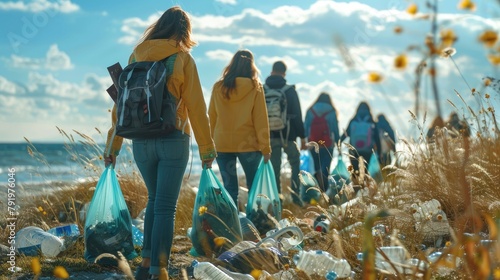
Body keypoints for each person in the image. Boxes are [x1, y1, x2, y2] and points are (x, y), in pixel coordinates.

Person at [104, 6, 216, 280]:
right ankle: (159, 270)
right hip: (172, 139)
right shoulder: (182, 59)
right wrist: (206, 148)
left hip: (140, 142)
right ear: (184, 32)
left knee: (155, 200)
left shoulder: (135, 56)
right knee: (165, 206)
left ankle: (145, 263)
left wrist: (112, 148)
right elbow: (197, 108)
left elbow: (121, 106)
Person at [208, 49, 271, 208]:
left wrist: (208, 146)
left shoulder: (218, 87)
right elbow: (260, 119)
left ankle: (233, 224)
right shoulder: (255, 87)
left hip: (222, 143)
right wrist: (265, 147)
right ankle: (254, 221)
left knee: (230, 188)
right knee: (253, 186)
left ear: (232, 64)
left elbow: (212, 116)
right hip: (247, 143)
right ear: (251, 66)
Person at [264, 61, 306, 206]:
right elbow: (297, 115)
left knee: (275, 168)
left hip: (270, 136)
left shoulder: (263, 89)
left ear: (272, 71)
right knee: (295, 163)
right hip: (289, 136)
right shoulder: (289, 90)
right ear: (284, 73)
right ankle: (295, 196)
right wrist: (303, 138)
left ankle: (278, 200)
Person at [304, 92, 340, 191]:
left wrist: (305, 140)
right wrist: (338, 142)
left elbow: (306, 127)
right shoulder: (331, 110)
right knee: (326, 167)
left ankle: (317, 189)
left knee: (316, 166)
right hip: (328, 144)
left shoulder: (310, 110)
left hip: (313, 143)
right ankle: (324, 191)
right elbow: (335, 128)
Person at [340, 101, 380, 174]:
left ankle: (356, 183)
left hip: (354, 150)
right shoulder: (371, 121)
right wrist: (379, 153)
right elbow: (377, 137)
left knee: (355, 171)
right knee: (365, 170)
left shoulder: (354, 120)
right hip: (367, 150)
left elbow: (346, 134)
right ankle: (364, 183)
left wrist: (338, 143)